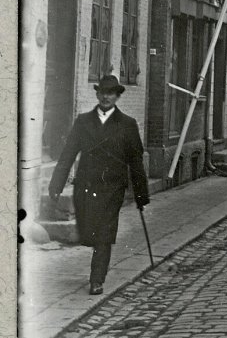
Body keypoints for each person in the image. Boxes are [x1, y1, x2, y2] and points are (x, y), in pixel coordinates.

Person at [46, 74, 150, 296]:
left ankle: (97, 279)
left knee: (104, 233)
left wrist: (141, 195)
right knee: (89, 232)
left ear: (117, 96)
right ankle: (97, 266)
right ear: (97, 94)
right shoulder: (83, 122)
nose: (105, 97)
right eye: (102, 92)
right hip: (85, 186)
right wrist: (56, 185)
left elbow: (136, 162)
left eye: (110, 93)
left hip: (112, 188)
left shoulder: (127, 124)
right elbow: (67, 155)